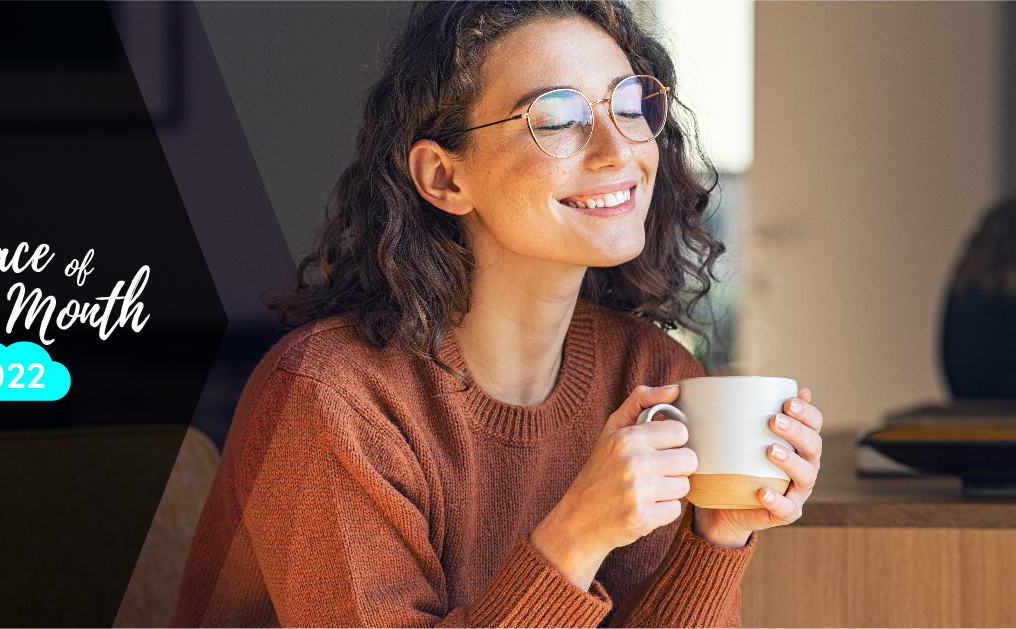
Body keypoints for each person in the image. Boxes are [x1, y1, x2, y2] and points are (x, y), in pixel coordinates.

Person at [172, 1, 824, 626]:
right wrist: (575, 535)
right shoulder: (329, 398)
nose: (617, 150)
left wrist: (717, 536)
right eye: (558, 118)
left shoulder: (651, 373)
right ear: (444, 179)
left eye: (628, 105)